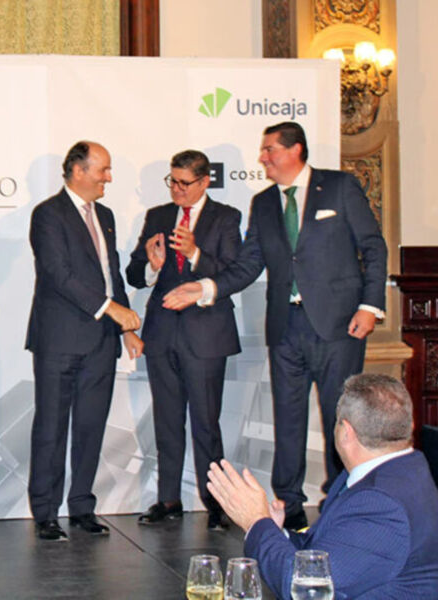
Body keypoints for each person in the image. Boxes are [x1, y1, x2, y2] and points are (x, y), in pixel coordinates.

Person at [163, 122, 387, 530]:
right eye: (262, 150)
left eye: (269, 150)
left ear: (295, 150)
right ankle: (291, 503)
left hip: (339, 325)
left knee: (343, 416)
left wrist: (370, 306)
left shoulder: (338, 187)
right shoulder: (264, 203)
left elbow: (373, 246)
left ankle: (341, 499)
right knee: (287, 417)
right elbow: (248, 266)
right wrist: (205, 286)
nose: (262, 157)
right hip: (286, 326)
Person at [207, 374, 438, 599]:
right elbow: (321, 553)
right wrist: (274, 531)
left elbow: (306, 589)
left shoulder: (380, 502)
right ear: (406, 426)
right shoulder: (399, 471)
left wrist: (256, 522)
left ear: (346, 432)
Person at [26, 141, 144, 541]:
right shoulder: (48, 215)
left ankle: (81, 508)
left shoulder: (106, 215)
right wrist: (113, 311)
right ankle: (44, 512)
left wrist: (127, 326)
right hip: (59, 339)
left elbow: (110, 275)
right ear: (78, 170)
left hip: (100, 340)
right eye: (103, 170)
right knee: (51, 427)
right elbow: (59, 276)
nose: (108, 177)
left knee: (91, 427)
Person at [126, 150, 241, 530]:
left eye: (184, 183)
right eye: (172, 181)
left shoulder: (226, 217)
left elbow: (231, 273)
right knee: (166, 420)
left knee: (206, 423)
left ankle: (216, 504)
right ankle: (168, 499)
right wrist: (151, 268)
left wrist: (194, 254)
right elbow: (132, 271)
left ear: (205, 181)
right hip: (162, 334)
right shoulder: (158, 216)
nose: (177, 189)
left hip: (206, 336)